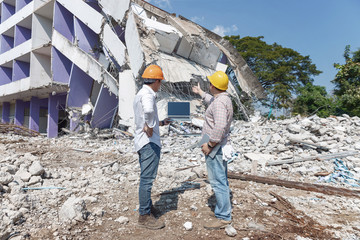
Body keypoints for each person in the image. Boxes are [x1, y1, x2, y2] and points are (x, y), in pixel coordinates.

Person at [192, 71, 233, 229]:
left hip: (215, 147)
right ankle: (222, 211)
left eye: (209, 84)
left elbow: (220, 125)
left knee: (217, 181)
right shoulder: (223, 99)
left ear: (213, 86)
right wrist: (201, 93)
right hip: (219, 145)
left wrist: (209, 145)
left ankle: (223, 217)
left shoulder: (220, 103)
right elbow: (213, 103)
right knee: (221, 178)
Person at [133, 65, 170, 229]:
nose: (160, 85)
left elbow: (144, 115)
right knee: (147, 180)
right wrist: (149, 125)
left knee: (145, 178)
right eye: (160, 82)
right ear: (155, 81)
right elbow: (148, 111)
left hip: (141, 142)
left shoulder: (140, 94)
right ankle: (144, 216)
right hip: (149, 143)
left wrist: (160, 123)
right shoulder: (148, 95)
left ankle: (147, 207)